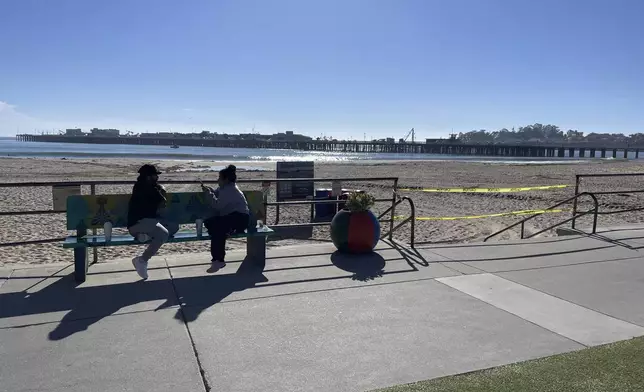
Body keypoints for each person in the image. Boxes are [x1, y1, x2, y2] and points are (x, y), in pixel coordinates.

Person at [127, 164, 179, 279]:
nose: (157, 177)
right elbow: (162, 200)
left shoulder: (150, 186)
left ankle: (145, 236)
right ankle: (142, 260)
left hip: (150, 222)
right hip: (138, 223)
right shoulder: (143, 187)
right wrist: (161, 191)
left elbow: (161, 201)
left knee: (174, 227)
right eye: (155, 175)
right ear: (148, 177)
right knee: (164, 234)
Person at [202, 165, 250, 271]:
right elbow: (217, 194)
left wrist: (208, 194)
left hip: (239, 219)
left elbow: (217, 206)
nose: (217, 180)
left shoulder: (229, 190)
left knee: (215, 227)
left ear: (226, 179)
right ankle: (218, 260)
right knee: (214, 226)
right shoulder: (226, 188)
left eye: (219, 178)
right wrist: (211, 191)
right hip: (236, 219)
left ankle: (218, 260)